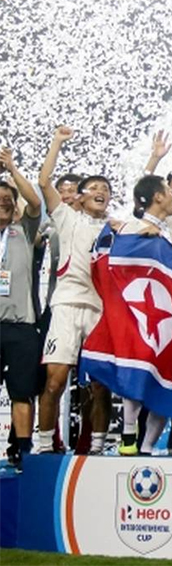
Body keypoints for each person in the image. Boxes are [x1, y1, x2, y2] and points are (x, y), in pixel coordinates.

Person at [36, 126, 115, 454]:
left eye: (105, 189)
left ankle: (96, 447)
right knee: (55, 381)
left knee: (100, 386)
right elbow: (44, 182)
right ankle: (44, 447)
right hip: (67, 306)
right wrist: (57, 142)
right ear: (80, 197)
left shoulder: (115, 227)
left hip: (100, 311)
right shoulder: (68, 218)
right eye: (94, 187)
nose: (101, 191)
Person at [115, 174, 172, 455]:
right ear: (158, 197)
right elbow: (116, 249)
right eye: (168, 190)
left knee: (165, 380)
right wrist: (136, 236)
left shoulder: (169, 231)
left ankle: (148, 447)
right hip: (138, 311)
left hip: (165, 314)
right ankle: (128, 435)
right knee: (137, 373)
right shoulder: (132, 226)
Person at [1, 147, 44, 470]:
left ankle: (24, 453)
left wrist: (13, 169)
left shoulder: (23, 232)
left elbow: (35, 203)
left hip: (21, 326)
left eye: (8, 198)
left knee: (21, 392)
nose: (3, 201)